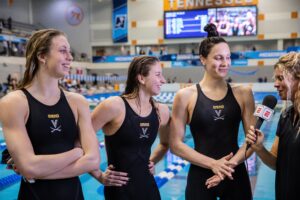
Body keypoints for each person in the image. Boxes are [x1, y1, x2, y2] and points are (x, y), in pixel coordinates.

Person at [0, 29, 100, 200]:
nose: (70, 57)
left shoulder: (78, 102)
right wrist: (76, 153)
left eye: (70, 51)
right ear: (42, 56)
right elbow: (29, 167)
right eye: (63, 51)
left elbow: (93, 160)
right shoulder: (14, 103)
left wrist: (39, 170)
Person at [170, 23, 256, 200]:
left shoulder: (244, 94)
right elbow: (175, 144)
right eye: (218, 58)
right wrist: (213, 164)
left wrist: (225, 167)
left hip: (235, 174)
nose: (225, 63)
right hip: (201, 176)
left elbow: (252, 141)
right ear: (203, 59)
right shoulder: (185, 96)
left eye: (228, 57)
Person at [91, 55, 170, 200]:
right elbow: (79, 141)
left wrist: (153, 161)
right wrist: (98, 175)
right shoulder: (114, 106)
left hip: (149, 189)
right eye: (158, 75)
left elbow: (165, 143)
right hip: (120, 192)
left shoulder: (162, 111)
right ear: (141, 78)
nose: (163, 80)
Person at [246, 52, 300, 200]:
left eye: (280, 78)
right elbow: (275, 162)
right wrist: (259, 148)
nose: (275, 84)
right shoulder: (285, 116)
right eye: (275, 78)